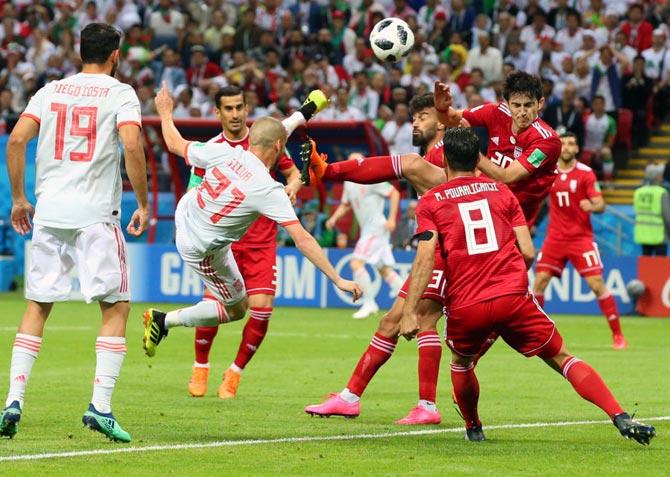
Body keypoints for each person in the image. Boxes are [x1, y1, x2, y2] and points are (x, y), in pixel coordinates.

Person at [399, 127, 655, 445]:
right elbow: (529, 250)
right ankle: (619, 416)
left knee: (461, 363)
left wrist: (410, 311)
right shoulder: (502, 192)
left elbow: (425, 258)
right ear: (478, 159)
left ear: (446, 161)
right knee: (563, 358)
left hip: (467, 305)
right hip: (513, 297)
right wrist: (510, 283)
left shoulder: (431, 201)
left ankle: (474, 428)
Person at [0, 23, 149, 443]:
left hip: (49, 213)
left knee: (37, 305)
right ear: (116, 55)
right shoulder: (120, 94)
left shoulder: (50, 91)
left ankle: (13, 400)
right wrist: (142, 202)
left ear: (80, 52)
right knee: (116, 306)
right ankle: (100, 406)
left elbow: (15, 141)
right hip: (95, 215)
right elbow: (132, 146)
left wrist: (18, 199)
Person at [142, 85, 362, 360]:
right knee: (236, 310)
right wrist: (337, 278)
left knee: (236, 298)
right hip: (201, 249)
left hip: (187, 213)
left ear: (250, 139)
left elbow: (174, 143)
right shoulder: (269, 191)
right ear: (279, 148)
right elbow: (303, 239)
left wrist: (165, 112)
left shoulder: (222, 150)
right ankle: (164, 321)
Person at [304, 93, 449, 425]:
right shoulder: (432, 155)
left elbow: (382, 169)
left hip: (445, 254)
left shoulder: (442, 156)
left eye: (423, 116)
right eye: (413, 117)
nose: (414, 122)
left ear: (441, 121)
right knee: (414, 324)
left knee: (403, 322)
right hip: (441, 252)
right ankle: (377, 400)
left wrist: (329, 171)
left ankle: (359, 398)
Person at [186, 86, 323, 399]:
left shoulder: (265, 139)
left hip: (261, 241)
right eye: (228, 109)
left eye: (239, 108)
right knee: (213, 306)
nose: (235, 114)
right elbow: (193, 192)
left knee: (261, 310)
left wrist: (292, 186)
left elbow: (294, 173)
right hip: (225, 243)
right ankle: (200, 366)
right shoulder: (211, 149)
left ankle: (234, 373)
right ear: (217, 113)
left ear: (247, 109)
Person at [533, 133, 627, 349]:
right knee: (539, 282)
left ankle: (618, 335)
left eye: (571, 144)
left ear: (577, 149)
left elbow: (600, 204)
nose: (566, 147)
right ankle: (536, 334)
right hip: (554, 238)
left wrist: (592, 206)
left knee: (596, 284)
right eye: (563, 143)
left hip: (581, 239)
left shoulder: (586, 173)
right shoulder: (549, 172)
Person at [325, 164, 403, 319]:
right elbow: (346, 205)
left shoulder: (371, 179)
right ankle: (408, 301)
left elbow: (394, 193)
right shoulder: (348, 182)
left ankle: (369, 303)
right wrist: (334, 218)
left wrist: (392, 219)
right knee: (384, 270)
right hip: (368, 229)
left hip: (376, 228)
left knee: (356, 263)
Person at [633, 167, 670, 256]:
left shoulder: (638, 192)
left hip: (643, 234)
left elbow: (636, 210)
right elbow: (667, 217)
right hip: (659, 235)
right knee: (660, 266)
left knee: (645, 265)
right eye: (660, 175)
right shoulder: (662, 193)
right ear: (657, 177)